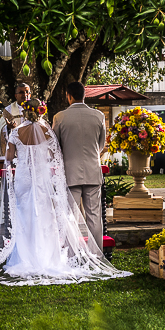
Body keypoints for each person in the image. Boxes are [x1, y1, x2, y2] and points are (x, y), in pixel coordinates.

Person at [0, 98, 129, 285]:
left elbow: (8, 158)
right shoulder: (47, 132)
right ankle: (49, 257)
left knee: (25, 216)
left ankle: (24, 258)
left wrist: (20, 154)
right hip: (42, 180)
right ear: (40, 112)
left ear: (24, 112)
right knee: (45, 217)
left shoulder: (16, 132)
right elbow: (55, 158)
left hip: (24, 179)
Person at [52, 81, 107, 252]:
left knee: (70, 217)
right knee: (95, 217)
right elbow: (101, 145)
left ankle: (72, 255)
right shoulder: (99, 116)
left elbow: (55, 146)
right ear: (84, 95)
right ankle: (97, 255)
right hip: (92, 170)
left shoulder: (59, 117)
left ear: (68, 96)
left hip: (70, 173)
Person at [0, 83, 31, 156]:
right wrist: (8, 128)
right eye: (21, 92)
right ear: (16, 95)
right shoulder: (8, 110)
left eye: (27, 92)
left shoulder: (36, 108)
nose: (25, 94)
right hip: (17, 150)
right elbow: (2, 128)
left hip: (32, 147)